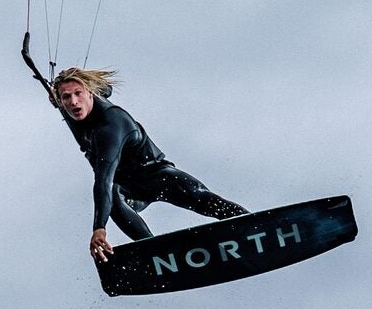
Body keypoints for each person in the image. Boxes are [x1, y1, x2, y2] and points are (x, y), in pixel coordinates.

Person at [22, 37, 247, 262]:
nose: (73, 102)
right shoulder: (70, 109)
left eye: (78, 93)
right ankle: (154, 254)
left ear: (90, 93)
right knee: (115, 198)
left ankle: (253, 225)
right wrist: (58, 95)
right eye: (66, 97)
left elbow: (104, 177)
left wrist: (99, 227)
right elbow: (105, 90)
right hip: (130, 190)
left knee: (202, 197)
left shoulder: (112, 124)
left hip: (158, 176)